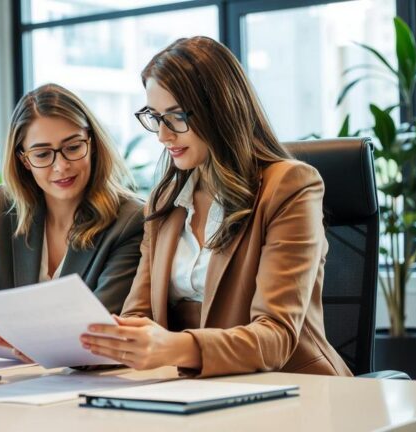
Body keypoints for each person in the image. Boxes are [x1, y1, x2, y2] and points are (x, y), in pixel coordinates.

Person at [80, 36, 352, 377]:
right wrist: (73, 345)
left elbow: (276, 337)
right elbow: (139, 317)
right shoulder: (166, 201)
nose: (163, 136)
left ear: (220, 109)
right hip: (191, 389)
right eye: (155, 116)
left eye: (176, 117)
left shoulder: (290, 186)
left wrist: (172, 347)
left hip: (290, 388)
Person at [0, 83, 145, 359]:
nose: (61, 166)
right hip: (12, 383)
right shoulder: (3, 207)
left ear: (92, 143)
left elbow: (102, 328)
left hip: (84, 382)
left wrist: (29, 341)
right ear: (24, 159)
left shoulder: (129, 219)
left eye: (73, 147)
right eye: (43, 154)